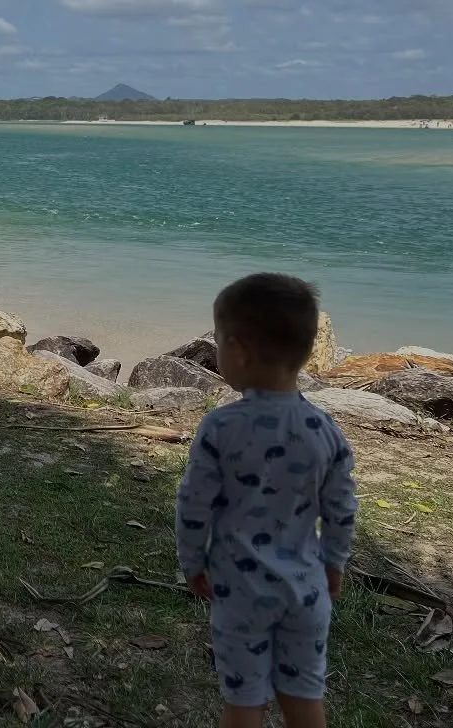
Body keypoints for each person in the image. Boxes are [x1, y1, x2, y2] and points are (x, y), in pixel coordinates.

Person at [176, 274, 358, 728]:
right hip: (307, 589)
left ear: (239, 351)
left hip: (240, 590)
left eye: (218, 343)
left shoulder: (220, 428)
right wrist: (333, 563)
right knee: (303, 697)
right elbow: (341, 508)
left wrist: (192, 561)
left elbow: (193, 504)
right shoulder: (324, 430)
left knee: (244, 702)